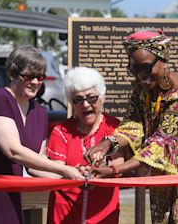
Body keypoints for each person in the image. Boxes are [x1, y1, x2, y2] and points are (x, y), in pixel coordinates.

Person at [85, 29, 178, 223]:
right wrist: (106, 144)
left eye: (145, 67)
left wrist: (115, 171)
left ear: (163, 60)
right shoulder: (142, 89)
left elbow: (161, 145)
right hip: (162, 171)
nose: (140, 75)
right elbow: (133, 126)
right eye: (133, 69)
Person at [0, 45, 84, 224]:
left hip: (9, 192)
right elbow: (13, 150)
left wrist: (72, 178)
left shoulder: (40, 112)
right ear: (12, 74)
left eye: (40, 77)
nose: (36, 82)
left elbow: (34, 166)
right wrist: (64, 168)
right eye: (28, 76)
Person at [34, 67, 122, 224]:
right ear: (71, 102)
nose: (85, 104)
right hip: (65, 213)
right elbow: (56, 170)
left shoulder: (114, 128)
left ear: (102, 98)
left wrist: (98, 171)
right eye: (78, 100)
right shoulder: (61, 131)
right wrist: (72, 173)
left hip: (104, 213)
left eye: (91, 98)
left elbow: (118, 166)